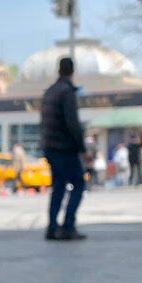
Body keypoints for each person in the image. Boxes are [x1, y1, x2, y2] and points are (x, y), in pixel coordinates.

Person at [40, 56, 86, 241]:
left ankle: (52, 227)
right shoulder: (67, 92)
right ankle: (68, 225)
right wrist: (82, 147)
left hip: (50, 147)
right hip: (64, 148)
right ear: (72, 71)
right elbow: (72, 123)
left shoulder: (49, 92)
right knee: (78, 184)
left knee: (58, 186)